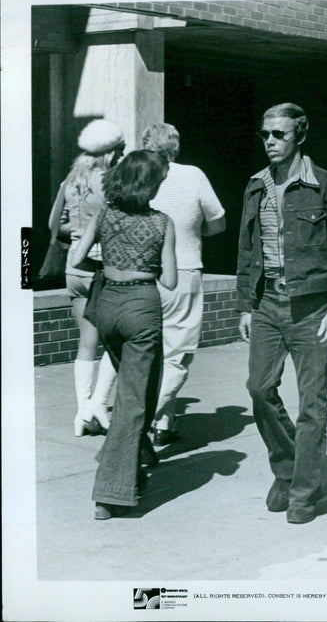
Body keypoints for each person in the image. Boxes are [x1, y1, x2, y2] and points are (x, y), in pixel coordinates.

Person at [237, 103, 327, 524]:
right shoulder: (255, 186)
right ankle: (287, 469)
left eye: (279, 135)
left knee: (312, 405)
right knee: (259, 389)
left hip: (312, 309)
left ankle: (304, 492)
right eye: (265, 134)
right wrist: (245, 305)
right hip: (268, 304)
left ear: (300, 136)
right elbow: (246, 248)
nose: (270, 142)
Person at [69, 150, 177, 520]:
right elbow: (170, 279)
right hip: (142, 307)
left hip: (107, 308)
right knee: (134, 399)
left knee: (141, 388)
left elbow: (77, 259)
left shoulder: (105, 214)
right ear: (150, 186)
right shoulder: (163, 223)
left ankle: (136, 457)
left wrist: (110, 262)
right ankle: (109, 493)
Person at [143, 123, 226, 446]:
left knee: (149, 352)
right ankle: (144, 419)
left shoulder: (132, 170)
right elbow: (218, 222)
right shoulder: (192, 174)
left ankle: (164, 422)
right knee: (176, 354)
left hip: (140, 273)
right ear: (174, 147)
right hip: (183, 269)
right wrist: (193, 233)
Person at [48, 119, 126, 437]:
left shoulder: (71, 180)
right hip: (101, 268)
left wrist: (78, 232)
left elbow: (55, 226)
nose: (122, 156)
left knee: (85, 342)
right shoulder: (112, 181)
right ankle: (98, 405)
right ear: (108, 153)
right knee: (114, 341)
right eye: (119, 151)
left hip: (73, 270)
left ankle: (82, 411)